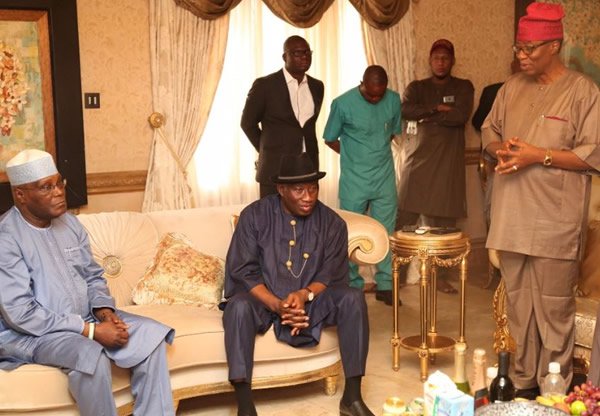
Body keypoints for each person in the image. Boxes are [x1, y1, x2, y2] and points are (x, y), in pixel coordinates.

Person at [0, 149, 176, 416]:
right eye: (46, 187)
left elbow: (93, 276)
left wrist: (105, 312)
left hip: (84, 319)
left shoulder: (70, 224)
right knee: (88, 353)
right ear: (21, 195)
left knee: (150, 335)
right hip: (30, 335)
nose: (58, 192)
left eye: (59, 183)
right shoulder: (6, 238)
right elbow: (21, 314)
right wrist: (92, 332)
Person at [482, 2, 600, 399]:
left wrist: (538, 155)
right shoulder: (512, 87)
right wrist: (504, 150)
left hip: (554, 221)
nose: (522, 56)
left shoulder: (583, 91)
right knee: (519, 309)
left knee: (553, 310)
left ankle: (555, 391)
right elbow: (489, 132)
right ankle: (522, 386)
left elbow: (592, 153)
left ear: (555, 45)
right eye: (519, 48)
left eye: (530, 49)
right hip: (511, 216)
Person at [222, 153, 374, 416]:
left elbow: (331, 274)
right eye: (299, 189)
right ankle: (245, 405)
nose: (308, 196)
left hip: (311, 301)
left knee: (353, 298)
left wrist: (304, 295)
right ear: (281, 189)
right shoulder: (255, 216)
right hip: (263, 300)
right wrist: (277, 304)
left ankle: (352, 398)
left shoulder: (332, 223)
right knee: (237, 308)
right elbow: (243, 271)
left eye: (313, 188)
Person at [395, 39, 474, 294]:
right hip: (417, 161)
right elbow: (407, 110)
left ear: (452, 61)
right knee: (405, 218)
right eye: (436, 57)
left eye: (445, 58)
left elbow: (460, 116)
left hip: (447, 164)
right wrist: (437, 108)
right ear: (430, 61)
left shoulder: (463, 86)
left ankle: (440, 277)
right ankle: (398, 274)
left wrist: (428, 115)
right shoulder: (417, 87)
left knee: (444, 223)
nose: (440, 62)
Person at [323, 65, 401, 306]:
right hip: (354, 178)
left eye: (380, 94)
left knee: (386, 231)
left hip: (384, 176)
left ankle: (386, 285)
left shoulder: (394, 100)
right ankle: (353, 284)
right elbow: (329, 138)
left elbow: (393, 132)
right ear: (362, 84)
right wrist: (352, 156)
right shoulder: (342, 103)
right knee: (350, 232)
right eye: (371, 94)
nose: (376, 98)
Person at [241, 35, 325, 198]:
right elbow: (247, 124)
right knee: (272, 220)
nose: (304, 56)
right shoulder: (265, 85)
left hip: (308, 168)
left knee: (305, 221)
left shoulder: (317, 86)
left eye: (308, 52)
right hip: (275, 169)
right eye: (297, 53)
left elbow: (307, 127)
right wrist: (267, 150)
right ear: (284, 56)